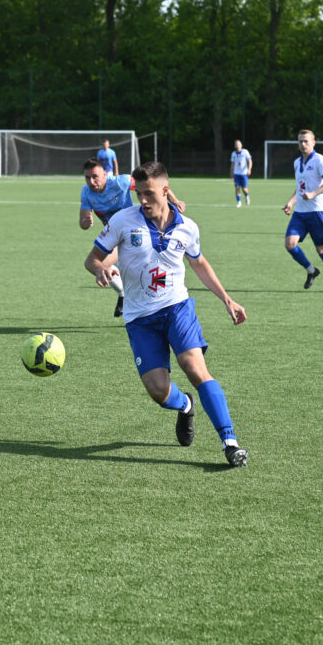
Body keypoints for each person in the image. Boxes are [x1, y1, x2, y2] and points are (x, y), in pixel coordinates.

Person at [84, 162, 249, 468]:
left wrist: (227, 299)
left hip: (177, 307)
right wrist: (100, 269)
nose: (143, 200)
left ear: (165, 191)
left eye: (148, 193)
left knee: (194, 367)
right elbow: (92, 259)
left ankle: (230, 442)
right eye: (139, 193)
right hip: (139, 319)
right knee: (159, 391)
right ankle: (185, 405)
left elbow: (199, 263)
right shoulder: (123, 221)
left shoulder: (188, 227)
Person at [80, 158, 186, 317]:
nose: (91, 181)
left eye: (95, 176)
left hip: (134, 233)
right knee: (99, 265)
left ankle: (149, 302)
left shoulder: (120, 182)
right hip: (112, 237)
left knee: (109, 265)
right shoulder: (86, 192)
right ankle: (124, 295)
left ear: (105, 174)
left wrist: (175, 201)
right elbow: (82, 222)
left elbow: (153, 184)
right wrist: (85, 223)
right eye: (87, 177)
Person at [283, 129, 323, 292]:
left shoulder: (319, 160)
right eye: (300, 141)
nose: (303, 144)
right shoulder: (296, 162)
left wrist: (313, 194)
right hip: (300, 213)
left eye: (306, 141)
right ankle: (311, 270)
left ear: (313, 142)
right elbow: (300, 188)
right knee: (289, 244)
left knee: (321, 249)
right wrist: (291, 202)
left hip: (317, 212)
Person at [230, 139, 252, 207]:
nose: (238, 146)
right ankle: (239, 202)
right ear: (235, 146)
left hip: (244, 173)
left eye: (239, 144)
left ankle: (247, 196)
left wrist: (249, 169)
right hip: (236, 174)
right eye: (236, 144)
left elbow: (250, 161)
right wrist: (231, 174)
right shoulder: (233, 154)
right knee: (237, 188)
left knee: (244, 189)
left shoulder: (245, 152)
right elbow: (232, 164)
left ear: (241, 145)